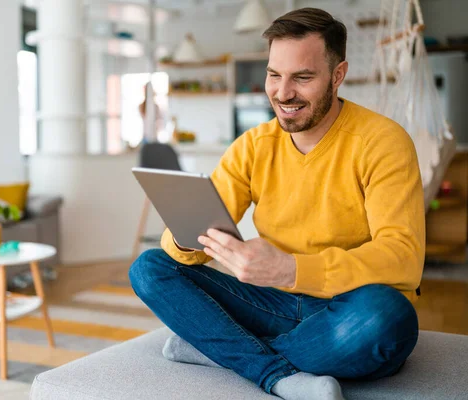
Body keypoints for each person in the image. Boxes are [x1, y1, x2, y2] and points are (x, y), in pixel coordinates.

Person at [129, 7, 424, 400]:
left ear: (338, 75)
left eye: (302, 78)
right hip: (271, 303)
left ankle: (220, 350)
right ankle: (276, 370)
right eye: (274, 75)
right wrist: (189, 238)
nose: (283, 93)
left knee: (387, 318)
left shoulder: (383, 143)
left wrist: (291, 269)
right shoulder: (252, 146)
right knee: (150, 268)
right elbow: (186, 252)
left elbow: (402, 257)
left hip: (347, 303)